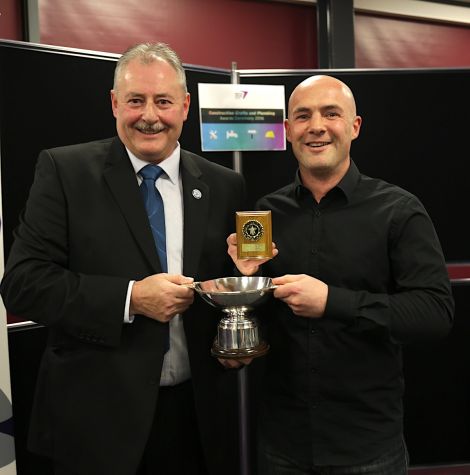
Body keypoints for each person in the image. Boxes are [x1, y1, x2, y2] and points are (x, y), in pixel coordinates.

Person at [1, 42, 246, 475]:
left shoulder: (223, 185)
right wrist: (130, 298)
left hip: (196, 422)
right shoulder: (65, 172)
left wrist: (238, 339)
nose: (149, 115)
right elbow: (23, 283)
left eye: (164, 101)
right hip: (96, 425)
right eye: (136, 100)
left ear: (185, 106)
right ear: (115, 103)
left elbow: (229, 285)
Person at [227, 75, 454, 474]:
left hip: (368, 449)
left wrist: (333, 302)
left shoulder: (399, 211)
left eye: (331, 113)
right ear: (287, 130)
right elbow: (262, 317)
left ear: (354, 126)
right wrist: (245, 287)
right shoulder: (265, 213)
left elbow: (434, 313)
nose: (316, 126)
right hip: (282, 445)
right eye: (302, 116)